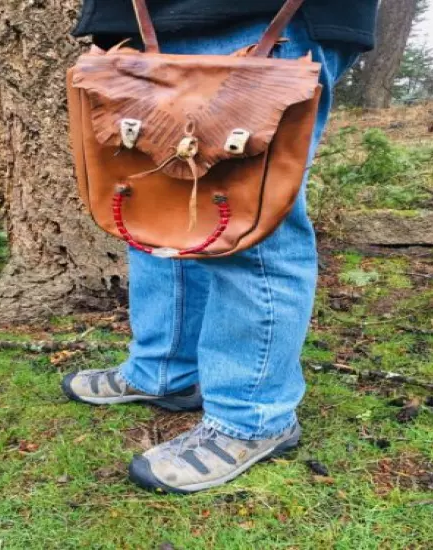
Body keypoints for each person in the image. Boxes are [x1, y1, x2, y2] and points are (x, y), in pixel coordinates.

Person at [62, 0, 379, 494]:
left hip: (259, 16)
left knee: (252, 229)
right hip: (141, 23)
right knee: (152, 206)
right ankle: (164, 370)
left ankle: (253, 418)